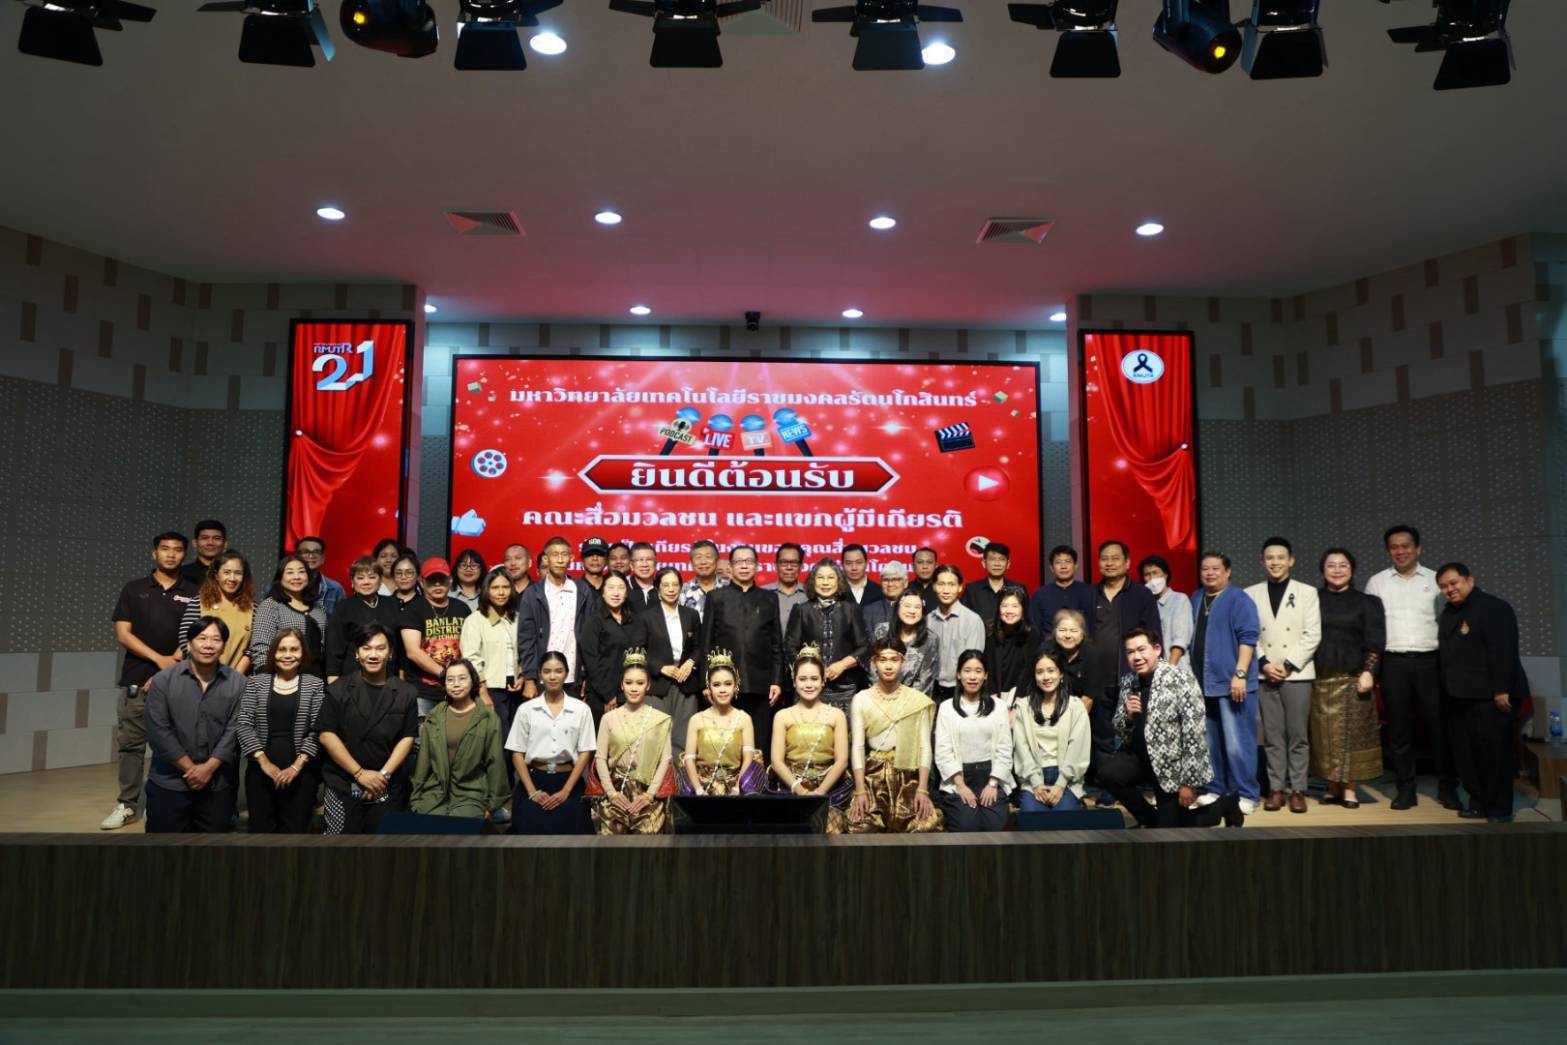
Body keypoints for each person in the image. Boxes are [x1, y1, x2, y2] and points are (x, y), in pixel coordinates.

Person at [104, 531, 200, 830]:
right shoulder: (134, 589)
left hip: (178, 682)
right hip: (135, 681)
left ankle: (159, 804)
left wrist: (166, 669)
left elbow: (195, 636)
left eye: (177, 550)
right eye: (165, 549)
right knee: (131, 746)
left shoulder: (194, 591)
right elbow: (123, 635)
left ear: (184, 554)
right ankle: (127, 805)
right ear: (154, 553)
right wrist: (159, 660)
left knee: (170, 746)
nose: (171, 554)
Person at [1098, 629, 1243, 829]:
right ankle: (1149, 820)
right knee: (1108, 773)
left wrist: (1189, 783)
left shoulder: (1181, 679)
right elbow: (1121, 731)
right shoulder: (1128, 681)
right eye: (1130, 652)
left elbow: (1195, 735)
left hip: (1171, 768)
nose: (1136, 657)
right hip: (1140, 760)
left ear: (1157, 649)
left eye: (1141, 649)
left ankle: (1223, 806)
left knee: (1170, 830)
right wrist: (1129, 717)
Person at [1364, 524, 1455, 811]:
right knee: (1399, 731)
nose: (1400, 551)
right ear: (1388, 551)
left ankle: (1448, 788)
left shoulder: (1435, 580)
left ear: (1418, 548)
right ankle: (1406, 789)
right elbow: (1372, 628)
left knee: (1439, 727)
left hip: (1431, 661)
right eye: (1394, 547)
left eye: (1405, 546)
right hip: (1394, 663)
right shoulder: (1377, 582)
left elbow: (1448, 624)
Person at [1436, 563, 1527, 823]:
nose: (1450, 589)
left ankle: (1499, 808)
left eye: (1454, 583)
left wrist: (1501, 690)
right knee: (1467, 756)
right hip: (1458, 696)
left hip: (1490, 696)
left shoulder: (1493, 607)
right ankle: (1478, 802)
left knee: (1495, 755)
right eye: (1444, 586)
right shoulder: (1449, 613)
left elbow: (1503, 652)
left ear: (1470, 580)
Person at [142, 615, 246, 833]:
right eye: (202, 638)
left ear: (223, 646)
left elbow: (235, 730)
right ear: (189, 644)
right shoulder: (163, 680)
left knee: (212, 850)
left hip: (216, 785)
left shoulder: (238, 683)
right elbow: (158, 731)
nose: (209, 645)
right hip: (169, 783)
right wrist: (192, 770)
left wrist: (208, 769)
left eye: (216, 639)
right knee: (163, 848)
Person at [317, 624, 419, 834]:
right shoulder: (337, 690)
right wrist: (360, 774)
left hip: (386, 784)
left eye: (380, 648)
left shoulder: (406, 692)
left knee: (384, 846)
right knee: (341, 844)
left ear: (390, 653)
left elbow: (407, 737)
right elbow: (327, 735)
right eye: (366, 648)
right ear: (357, 653)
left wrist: (382, 776)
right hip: (344, 782)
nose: (373, 655)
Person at [1246, 537, 1322, 814]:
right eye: (1269, 558)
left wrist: (1288, 664)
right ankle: (1276, 789)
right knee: (1273, 736)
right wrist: (1264, 663)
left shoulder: (1307, 592)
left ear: (1291, 560)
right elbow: (1248, 632)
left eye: (1280, 557)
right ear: (1262, 561)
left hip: (1297, 673)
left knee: (1298, 735)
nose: (1275, 562)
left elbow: (1312, 634)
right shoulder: (1250, 593)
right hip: (1265, 673)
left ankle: (1298, 789)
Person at [1311, 548, 1386, 809]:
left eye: (1343, 565)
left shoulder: (1367, 602)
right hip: (1320, 679)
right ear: (1323, 570)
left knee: (1353, 737)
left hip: (1354, 678)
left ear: (1352, 570)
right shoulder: (1312, 599)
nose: (1337, 570)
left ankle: (1351, 789)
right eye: (1331, 565)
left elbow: (1375, 640)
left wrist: (1368, 671)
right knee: (1325, 739)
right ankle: (1332, 787)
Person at [1189, 551, 1261, 815]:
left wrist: (1240, 674)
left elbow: (1248, 638)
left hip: (1233, 684)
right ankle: (1215, 788)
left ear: (1228, 571)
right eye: (1205, 568)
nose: (1209, 573)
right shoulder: (1196, 597)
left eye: (1215, 568)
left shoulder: (1239, 599)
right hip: (1203, 683)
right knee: (1210, 742)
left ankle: (1247, 794)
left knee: (1237, 742)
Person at [847, 636, 943, 833]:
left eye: (894, 660)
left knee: (925, 825)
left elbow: (925, 747)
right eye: (883, 660)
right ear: (874, 663)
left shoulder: (916, 700)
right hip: (872, 775)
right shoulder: (862, 699)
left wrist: (922, 789)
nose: (888, 666)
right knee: (860, 826)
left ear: (903, 662)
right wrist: (860, 790)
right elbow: (857, 747)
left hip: (908, 776)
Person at [235, 629, 324, 833]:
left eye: (294, 649)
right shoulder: (255, 682)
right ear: (273, 653)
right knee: (261, 835)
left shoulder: (314, 685)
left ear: (303, 653)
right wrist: (265, 763)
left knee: (295, 836)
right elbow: (244, 724)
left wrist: (296, 767)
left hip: (302, 774)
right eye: (282, 649)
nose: (288, 655)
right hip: (260, 773)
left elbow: (317, 730)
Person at [700, 545, 783, 754]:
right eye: (739, 562)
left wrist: (776, 680)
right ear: (730, 566)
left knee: (759, 743)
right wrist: (706, 682)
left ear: (757, 566)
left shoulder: (769, 598)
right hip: (724, 684)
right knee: (727, 743)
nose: (744, 566)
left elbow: (776, 643)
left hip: (761, 683)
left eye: (749, 561)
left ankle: (757, 776)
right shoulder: (716, 597)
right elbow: (706, 643)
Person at [1086, 541, 1163, 759]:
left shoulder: (1142, 594)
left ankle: (1133, 776)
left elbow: (1154, 636)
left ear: (1127, 562)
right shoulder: (1089, 594)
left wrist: (1151, 678)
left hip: (1132, 679)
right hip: (1097, 680)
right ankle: (1105, 777)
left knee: (1134, 734)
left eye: (1115, 558)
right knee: (1100, 738)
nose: (1109, 563)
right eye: (1104, 559)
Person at [506, 651, 596, 834]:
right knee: (528, 831)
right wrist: (532, 792)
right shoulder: (526, 710)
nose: (553, 676)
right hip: (533, 779)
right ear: (540, 674)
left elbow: (585, 752)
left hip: (569, 781)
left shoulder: (581, 709)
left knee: (575, 832)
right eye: (547, 671)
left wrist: (566, 791)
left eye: (558, 671)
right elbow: (516, 752)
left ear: (566, 673)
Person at [409, 659, 509, 820]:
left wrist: (492, 805)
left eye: (462, 678)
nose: (456, 684)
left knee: (459, 830)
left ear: (473, 681)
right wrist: (416, 797)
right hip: (435, 791)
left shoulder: (487, 718)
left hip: (471, 793)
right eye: (450, 680)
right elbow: (424, 761)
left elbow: (495, 762)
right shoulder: (434, 716)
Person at [460, 566, 524, 818]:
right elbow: (471, 658)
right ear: (486, 590)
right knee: (498, 748)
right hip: (491, 692)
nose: (501, 592)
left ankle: (511, 800)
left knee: (517, 746)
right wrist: (483, 690)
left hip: (517, 691)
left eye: (506, 587)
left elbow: (525, 650)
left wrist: (522, 675)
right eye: (495, 587)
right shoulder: (476, 620)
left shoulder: (517, 618)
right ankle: (496, 802)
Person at [768, 646, 851, 833]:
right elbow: (776, 761)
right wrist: (801, 791)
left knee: (830, 830)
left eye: (814, 679)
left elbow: (842, 761)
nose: (808, 684)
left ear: (823, 681)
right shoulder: (782, 716)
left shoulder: (836, 715)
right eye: (802, 679)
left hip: (829, 791)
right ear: (794, 681)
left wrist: (820, 793)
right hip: (791, 790)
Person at [591, 651, 675, 835]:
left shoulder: (660, 719)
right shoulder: (608, 718)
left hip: (649, 795)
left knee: (648, 848)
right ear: (622, 685)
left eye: (640, 683)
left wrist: (650, 795)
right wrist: (611, 793)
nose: (634, 688)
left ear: (648, 685)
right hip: (615, 794)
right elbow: (600, 758)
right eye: (629, 683)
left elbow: (665, 760)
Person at [934, 650, 1013, 832]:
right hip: (959, 777)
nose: (972, 677)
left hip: (991, 775)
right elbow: (943, 752)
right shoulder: (946, 708)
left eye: (978, 671)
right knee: (967, 825)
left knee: (994, 826)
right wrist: (960, 786)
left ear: (985, 675)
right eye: (967, 670)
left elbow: (1005, 748)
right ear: (958, 674)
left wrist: (993, 784)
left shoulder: (999, 707)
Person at [783, 559, 869, 715]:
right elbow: (790, 647)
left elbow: (864, 646)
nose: (825, 582)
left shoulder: (850, 609)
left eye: (830, 577)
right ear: (813, 581)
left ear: (838, 581)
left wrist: (842, 665)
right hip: (809, 686)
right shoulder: (802, 610)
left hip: (844, 688)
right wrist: (811, 669)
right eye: (820, 577)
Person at [1012, 650, 1092, 813]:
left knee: (1064, 816)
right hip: (1034, 777)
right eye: (1040, 672)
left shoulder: (1075, 706)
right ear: (1034, 677)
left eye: (1051, 670)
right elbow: (1021, 749)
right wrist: (1036, 783)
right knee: (1032, 815)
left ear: (1061, 674)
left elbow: (1078, 749)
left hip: (1067, 778)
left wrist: (1060, 784)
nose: (1046, 677)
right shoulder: (1023, 707)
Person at [518, 536, 597, 701]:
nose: (560, 560)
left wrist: (588, 676)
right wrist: (530, 679)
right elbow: (526, 639)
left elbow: (590, 637)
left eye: (564, 554)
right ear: (546, 559)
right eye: (555, 555)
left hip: (574, 677)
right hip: (542, 677)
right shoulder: (533, 593)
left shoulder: (582, 590)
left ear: (571, 558)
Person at [681, 652, 766, 795]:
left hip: (736, 789)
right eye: (716, 685)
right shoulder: (697, 719)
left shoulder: (744, 719)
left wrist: (738, 788)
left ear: (735, 685)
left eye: (728, 684)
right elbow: (689, 760)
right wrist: (699, 790)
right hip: (702, 789)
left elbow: (748, 759)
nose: (722, 690)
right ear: (709, 688)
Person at [400, 557, 472, 717]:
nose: (438, 584)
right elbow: (413, 651)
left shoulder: (462, 608)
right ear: (422, 582)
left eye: (442, 579)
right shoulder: (413, 610)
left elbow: (470, 646)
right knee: (424, 733)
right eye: (432, 580)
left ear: (450, 580)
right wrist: (444, 674)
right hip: (423, 692)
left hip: (458, 690)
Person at [643, 567, 703, 757]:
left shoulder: (691, 615)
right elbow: (637, 650)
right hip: (657, 685)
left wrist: (691, 662)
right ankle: (658, 777)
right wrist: (660, 667)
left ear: (681, 587)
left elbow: (700, 646)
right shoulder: (646, 616)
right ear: (658, 589)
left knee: (683, 740)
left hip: (686, 684)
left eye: (675, 585)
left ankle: (681, 776)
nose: (671, 589)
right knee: (656, 738)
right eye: (666, 585)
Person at [578, 573, 647, 722]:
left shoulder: (635, 621)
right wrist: (608, 695)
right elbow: (591, 662)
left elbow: (639, 656)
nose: (616, 593)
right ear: (603, 592)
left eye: (621, 588)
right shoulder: (594, 622)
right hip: (602, 695)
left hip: (631, 692)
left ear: (626, 593)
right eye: (611, 588)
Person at [248, 554, 329, 678]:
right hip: (281, 678)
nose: (296, 577)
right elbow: (260, 647)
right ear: (280, 578)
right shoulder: (271, 605)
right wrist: (265, 678)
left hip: (316, 678)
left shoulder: (319, 608)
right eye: (290, 572)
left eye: (301, 572)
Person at [325, 557, 403, 683]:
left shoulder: (393, 604)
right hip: (353, 676)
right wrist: (333, 682)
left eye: (372, 577)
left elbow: (400, 646)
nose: (366, 582)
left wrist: (401, 677)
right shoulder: (344, 607)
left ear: (380, 580)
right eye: (360, 578)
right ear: (352, 581)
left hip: (389, 674)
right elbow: (334, 648)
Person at [178, 549, 255, 673]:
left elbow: (254, 648)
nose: (232, 578)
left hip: (235, 677)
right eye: (227, 572)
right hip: (198, 674)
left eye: (238, 573)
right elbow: (185, 640)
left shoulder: (253, 609)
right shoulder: (199, 603)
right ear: (216, 575)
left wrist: (234, 677)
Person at [925, 564, 985, 702]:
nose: (946, 590)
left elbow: (973, 664)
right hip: (932, 688)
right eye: (941, 584)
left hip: (961, 689)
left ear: (960, 587)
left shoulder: (972, 620)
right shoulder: (928, 620)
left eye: (951, 585)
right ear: (934, 586)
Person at [870, 590, 941, 699]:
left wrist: (902, 704)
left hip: (912, 701)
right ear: (897, 608)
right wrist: (881, 698)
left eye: (917, 607)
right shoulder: (881, 630)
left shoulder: (930, 639)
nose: (912, 611)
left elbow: (925, 681)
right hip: (879, 697)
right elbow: (873, 669)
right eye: (907, 606)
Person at [1027, 545, 1096, 638]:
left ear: (1076, 566)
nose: (1063, 566)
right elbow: (1034, 629)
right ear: (1051, 568)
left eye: (1068, 562)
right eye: (1058, 562)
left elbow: (1094, 626)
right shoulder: (1039, 595)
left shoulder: (1090, 592)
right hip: (1049, 646)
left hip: (1083, 645)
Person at [1140, 555, 1193, 670]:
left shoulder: (1179, 599)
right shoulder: (1144, 605)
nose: (1152, 578)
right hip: (1151, 670)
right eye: (1147, 574)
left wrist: (1169, 670)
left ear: (1165, 574)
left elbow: (1180, 640)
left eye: (1155, 573)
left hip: (1176, 670)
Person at [983, 590, 1035, 699]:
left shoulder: (1031, 634)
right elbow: (988, 669)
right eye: (1004, 606)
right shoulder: (990, 633)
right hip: (994, 695)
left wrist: (1018, 701)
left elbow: (1028, 672)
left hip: (1021, 695)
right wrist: (993, 698)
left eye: (1015, 606)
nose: (1009, 611)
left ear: (1023, 610)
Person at [961, 542, 1026, 626]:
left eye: (1001, 559)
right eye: (992, 559)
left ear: (1008, 564)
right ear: (984, 563)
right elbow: (963, 620)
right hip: (980, 634)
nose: (997, 564)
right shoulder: (972, 589)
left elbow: (1026, 619)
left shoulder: (1019, 588)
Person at [1047, 609, 1101, 709]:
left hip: (1082, 713)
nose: (1068, 635)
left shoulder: (1092, 655)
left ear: (1082, 634)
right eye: (1062, 630)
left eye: (1074, 631)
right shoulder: (1046, 651)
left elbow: (1088, 699)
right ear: (1054, 632)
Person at [763, 543, 809, 638]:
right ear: (776, 565)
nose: (789, 567)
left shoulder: (810, 594)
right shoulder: (762, 594)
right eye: (784, 562)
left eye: (794, 563)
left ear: (801, 566)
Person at [295, 535, 345, 618]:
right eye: (305, 552)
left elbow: (342, 621)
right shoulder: (283, 586)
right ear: (296, 557)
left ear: (323, 558)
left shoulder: (335, 589)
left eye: (316, 552)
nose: (310, 556)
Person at [678, 539, 729, 619]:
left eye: (708, 557)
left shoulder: (730, 588)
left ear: (717, 560)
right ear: (691, 562)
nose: (703, 562)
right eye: (698, 557)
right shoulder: (682, 591)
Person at [863, 561, 908, 636]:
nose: (890, 584)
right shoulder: (869, 610)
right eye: (885, 580)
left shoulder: (914, 608)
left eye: (895, 579)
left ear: (905, 583)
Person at [180, 519, 229, 588]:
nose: (210, 543)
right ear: (194, 543)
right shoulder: (180, 574)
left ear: (225, 544)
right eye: (204, 538)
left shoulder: (234, 575)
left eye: (216, 538)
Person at [840, 544, 884, 612]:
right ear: (842, 565)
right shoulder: (836, 592)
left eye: (859, 562)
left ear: (866, 564)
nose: (854, 568)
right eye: (848, 563)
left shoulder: (880, 592)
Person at [449, 548, 487, 613]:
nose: (468, 569)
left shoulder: (488, 595)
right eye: (463, 565)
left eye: (473, 565)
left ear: (481, 569)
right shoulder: (447, 594)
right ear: (456, 568)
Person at [626, 542, 660, 612]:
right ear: (631, 565)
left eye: (649, 559)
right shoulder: (623, 588)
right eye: (640, 560)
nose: (644, 564)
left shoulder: (662, 588)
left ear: (655, 563)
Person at [911, 546, 940, 610]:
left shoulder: (943, 590)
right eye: (920, 562)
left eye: (929, 562)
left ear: (936, 566)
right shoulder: (904, 590)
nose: (925, 566)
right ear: (913, 566)